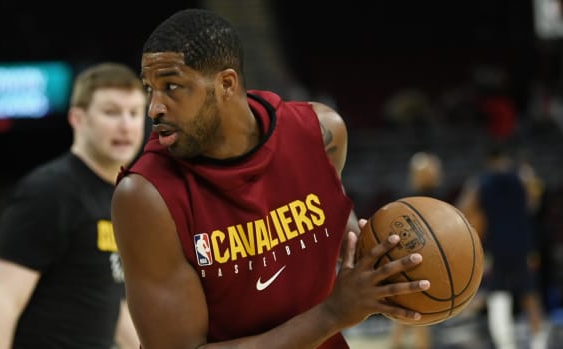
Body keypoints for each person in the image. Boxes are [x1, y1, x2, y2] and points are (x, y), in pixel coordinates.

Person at [111, 8, 431, 349]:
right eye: (150, 89)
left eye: (172, 87)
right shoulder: (146, 196)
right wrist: (331, 314)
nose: (154, 108)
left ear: (226, 84)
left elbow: (335, 229)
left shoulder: (320, 134)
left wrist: (389, 264)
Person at [0, 62, 146, 349]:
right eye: (111, 112)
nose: (125, 125)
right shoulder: (48, 191)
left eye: (134, 113)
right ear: (78, 119)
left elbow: (110, 305)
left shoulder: (121, 197)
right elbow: (3, 303)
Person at [456, 145, 547, 349]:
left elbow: (464, 210)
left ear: (489, 161)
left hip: (495, 246)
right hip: (523, 245)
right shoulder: (522, 177)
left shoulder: (480, 181)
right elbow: (534, 205)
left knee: (497, 294)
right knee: (529, 294)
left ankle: (505, 345)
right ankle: (539, 343)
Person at [388, 151, 442, 349]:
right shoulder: (406, 199)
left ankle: (395, 345)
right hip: (411, 261)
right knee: (417, 311)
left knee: (406, 311)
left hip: (426, 260)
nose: (437, 174)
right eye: (432, 170)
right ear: (418, 173)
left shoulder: (435, 196)